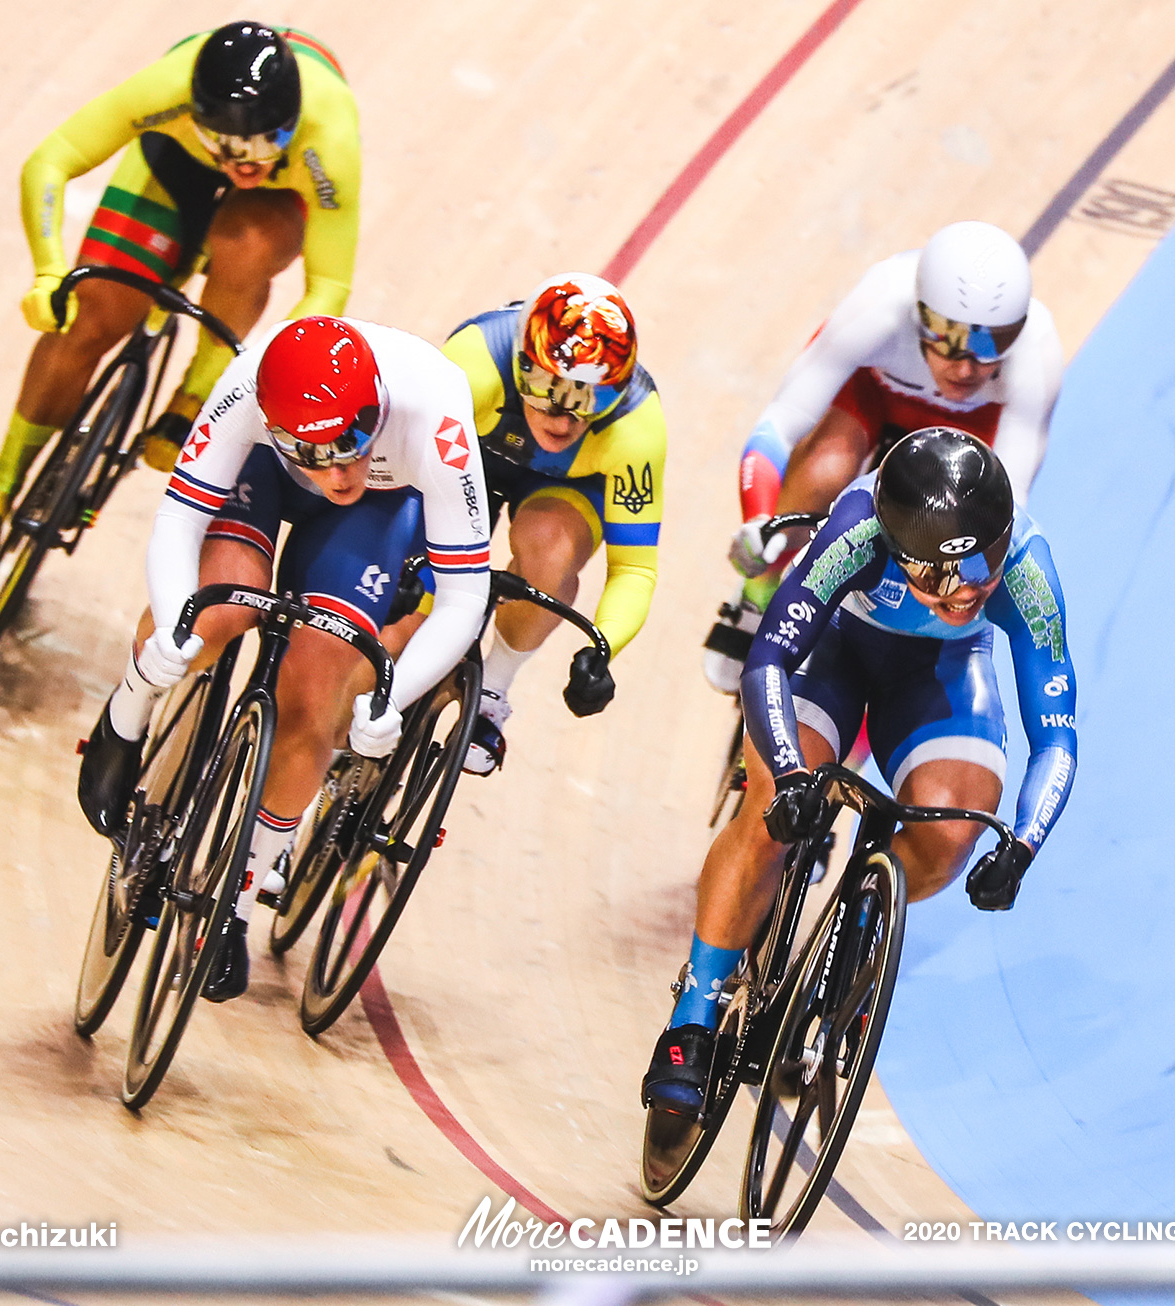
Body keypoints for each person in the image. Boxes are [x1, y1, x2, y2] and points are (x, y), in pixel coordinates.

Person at [643, 427, 1078, 1114]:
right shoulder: (857, 529)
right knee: (768, 818)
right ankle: (693, 1017)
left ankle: (853, 934)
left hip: (942, 676)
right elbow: (770, 662)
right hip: (835, 654)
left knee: (952, 840)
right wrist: (788, 778)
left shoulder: (1024, 569)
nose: (970, 589)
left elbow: (1055, 734)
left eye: (983, 564)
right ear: (899, 551)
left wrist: (1023, 845)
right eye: (943, 574)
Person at [76, 316, 489, 1002]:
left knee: (315, 690)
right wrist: (168, 644)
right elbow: (178, 519)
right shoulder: (247, 382)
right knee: (213, 613)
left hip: (376, 514)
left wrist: (393, 695)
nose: (338, 470)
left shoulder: (436, 412)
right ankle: (124, 721)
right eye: (315, 451)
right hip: (263, 475)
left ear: (376, 411)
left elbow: (463, 598)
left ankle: (234, 905)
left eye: (353, 445)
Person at [0, 22, 362, 563]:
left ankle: (194, 392)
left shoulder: (329, 142)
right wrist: (49, 272)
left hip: (281, 196)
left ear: (292, 125)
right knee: (87, 319)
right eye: (228, 145)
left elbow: (329, 285)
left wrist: (267, 368)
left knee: (245, 246)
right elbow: (51, 160)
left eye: (265, 145)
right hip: (176, 159)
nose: (245, 164)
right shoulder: (166, 90)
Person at [703, 220, 1063, 692]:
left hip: (965, 435)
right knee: (826, 465)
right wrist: (759, 518)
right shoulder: (879, 304)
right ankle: (759, 591)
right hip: (878, 395)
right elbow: (781, 422)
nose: (965, 366)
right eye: (948, 337)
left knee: (952, 537)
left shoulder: (1036, 354)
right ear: (918, 314)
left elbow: (1008, 505)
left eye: (991, 344)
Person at [438, 273, 664, 772]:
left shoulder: (636, 426)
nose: (563, 419)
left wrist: (603, 648)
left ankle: (492, 690)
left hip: (561, 489)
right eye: (544, 391)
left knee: (550, 552)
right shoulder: (472, 365)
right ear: (518, 364)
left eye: (589, 400)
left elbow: (634, 570)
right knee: (415, 603)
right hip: (468, 456)